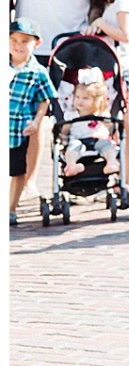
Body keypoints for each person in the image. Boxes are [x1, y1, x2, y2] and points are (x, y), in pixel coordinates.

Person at [81, 0, 129, 197]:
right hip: (109, 68)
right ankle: (119, 177)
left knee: (126, 123)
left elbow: (124, 34)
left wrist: (99, 25)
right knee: (113, 126)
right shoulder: (110, 4)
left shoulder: (123, 2)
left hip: (122, 69)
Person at [9, 19, 56, 227]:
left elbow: (44, 100)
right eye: (14, 40)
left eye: (24, 41)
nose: (18, 46)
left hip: (19, 130)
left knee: (18, 171)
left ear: (36, 44)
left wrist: (37, 121)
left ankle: (10, 208)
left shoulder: (38, 72)